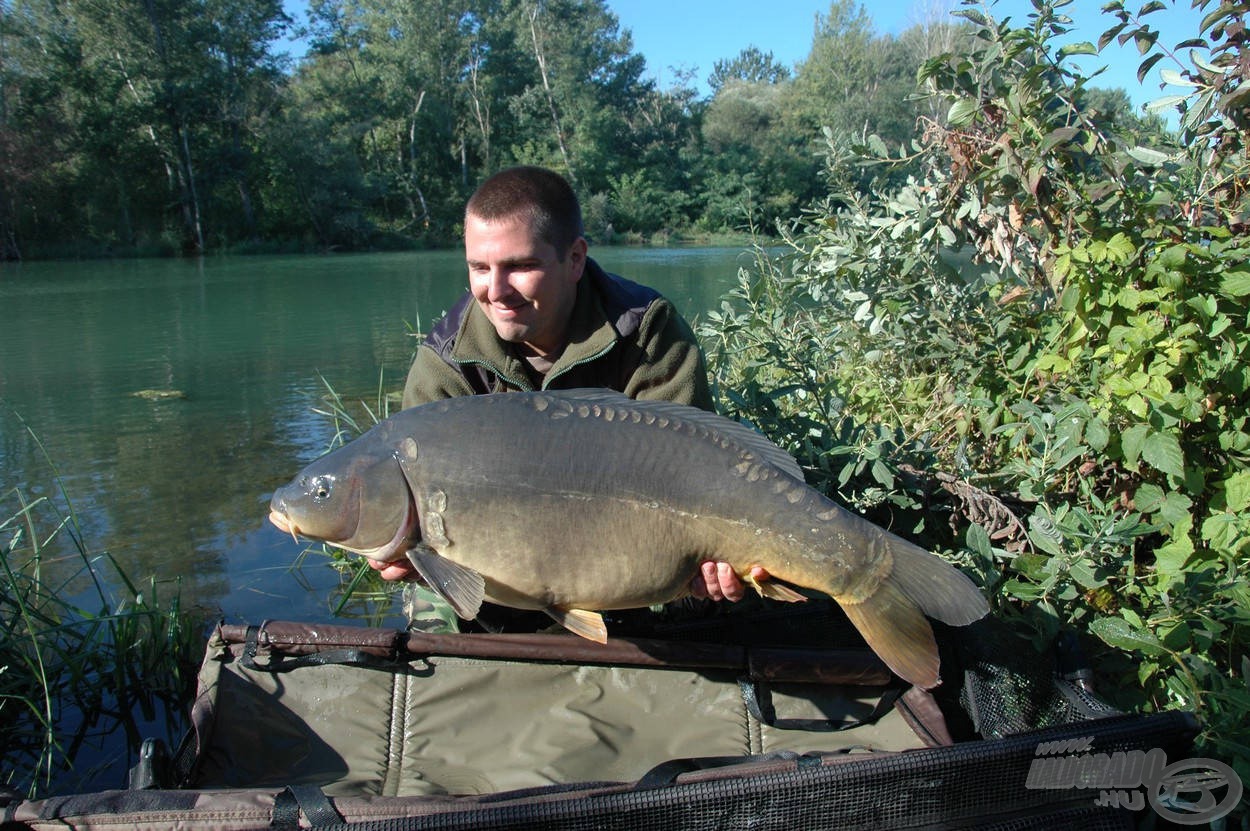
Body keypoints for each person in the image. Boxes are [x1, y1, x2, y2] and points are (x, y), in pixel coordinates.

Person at [371, 165, 765, 602]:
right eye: (479, 267)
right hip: (494, 583)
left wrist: (707, 563)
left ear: (575, 258)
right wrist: (399, 548)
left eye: (520, 266)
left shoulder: (645, 329)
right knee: (436, 604)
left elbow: (696, 471)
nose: (496, 290)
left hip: (630, 566)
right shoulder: (448, 359)